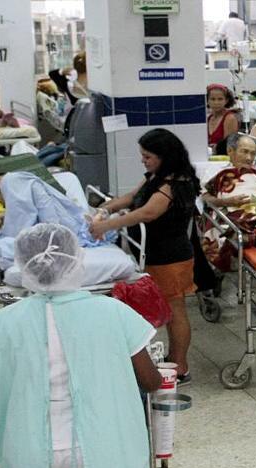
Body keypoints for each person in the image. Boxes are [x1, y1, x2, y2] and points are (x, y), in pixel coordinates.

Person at [0, 224, 162, 468]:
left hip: (31, 454)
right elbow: (150, 382)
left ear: (25, 266)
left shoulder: (4, 322)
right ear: (75, 261)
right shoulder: (113, 312)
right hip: (105, 449)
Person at [90, 129, 201, 382]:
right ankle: (173, 360)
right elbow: (132, 198)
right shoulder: (156, 177)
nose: (143, 160)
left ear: (165, 156)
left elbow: (147, 213)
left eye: (148, 156)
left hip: (171, 257)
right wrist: (104, 209)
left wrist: (106, 226)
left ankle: (180, 366)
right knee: (170, 309)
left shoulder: (177, 183)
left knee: (175, 311)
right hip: (155, 254)